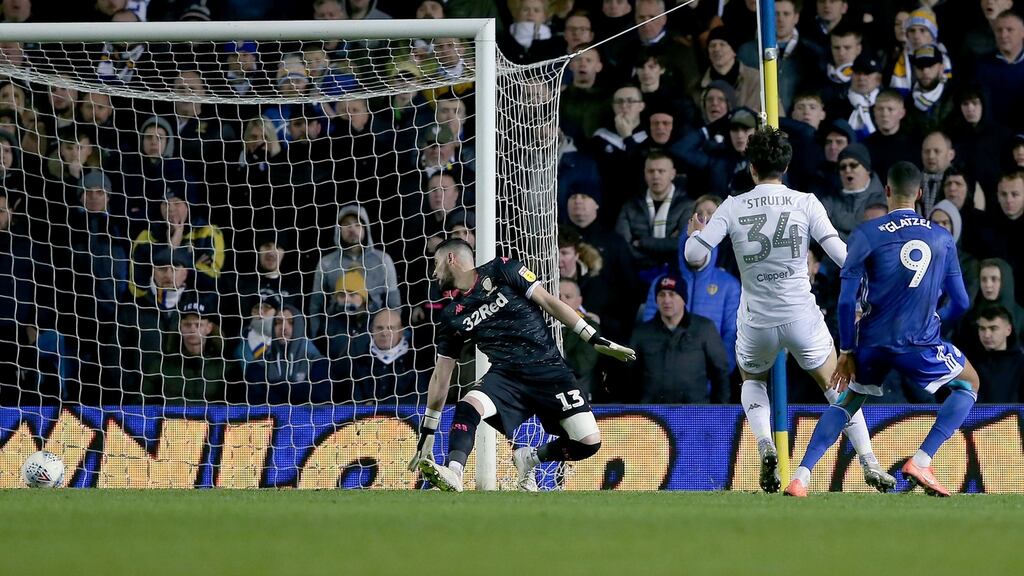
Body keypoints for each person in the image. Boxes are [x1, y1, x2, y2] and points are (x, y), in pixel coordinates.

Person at [683, 126, 894, 494]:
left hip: (757, 321)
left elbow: (695, 256)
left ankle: (765, 444)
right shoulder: (806, 202)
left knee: (752, 380)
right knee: (838, 388)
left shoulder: (732, 206)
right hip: (801, 315)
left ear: (751, 167)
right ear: (786, 165)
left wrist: (694, 235)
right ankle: (869, 461)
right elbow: (841, 255)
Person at [785, 162, 978, 498]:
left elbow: (846, 302)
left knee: (847, 401)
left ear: (887, 191)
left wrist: (846, 350)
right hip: (918, 341)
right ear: (919, 194)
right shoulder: (941, 237)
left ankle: (800, 477)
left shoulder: (866, 234)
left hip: (872, 341)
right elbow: (961, 302)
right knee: (969, 384)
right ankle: (921, 459)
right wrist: (935, 323)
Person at [408, 239, 635, 492]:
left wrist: (593, 338)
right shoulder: (452, 316)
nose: (434, 272)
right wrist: (428, 431)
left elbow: (549, 302)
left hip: (549, 369)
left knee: (588, 442)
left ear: (451, 259)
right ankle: (453, 472)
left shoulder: (502, 269)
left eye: (436, 263)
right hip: (506, 376)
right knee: (469, 404)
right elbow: (441, 376)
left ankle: (530, 458)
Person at [629, 275, 730, 403]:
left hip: (694, 414)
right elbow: (631, 377)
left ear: (683, 299)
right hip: (651, 415)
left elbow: (720, 373)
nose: (666, 300)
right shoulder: (642, 333)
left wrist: (719, 413)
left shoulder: (704, 329)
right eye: (661, 294)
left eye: (672, 294)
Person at [974, 305, 1024, 403]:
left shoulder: (1021, 363)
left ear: (1008, 330)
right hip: (976, 418)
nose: (987, 335)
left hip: (1014, 418)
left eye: (993, 328)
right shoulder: (970, 364)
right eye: (982, 329)